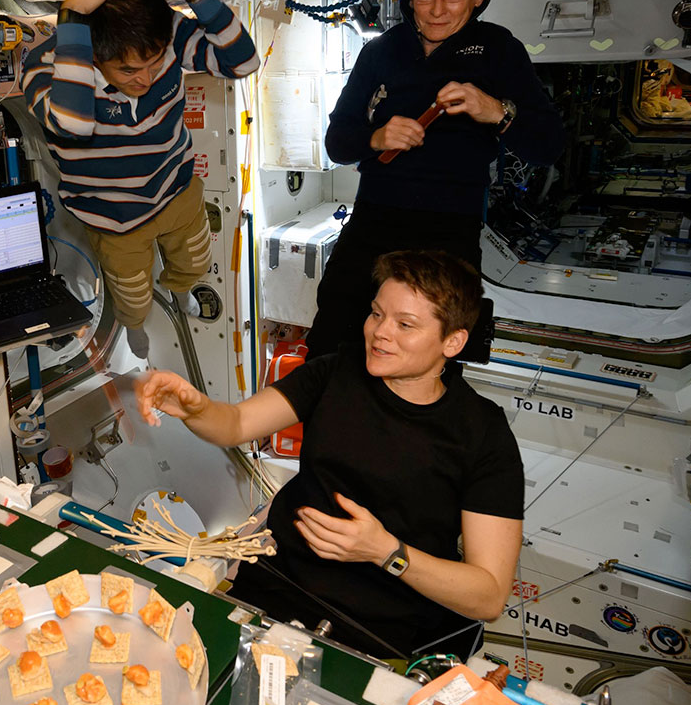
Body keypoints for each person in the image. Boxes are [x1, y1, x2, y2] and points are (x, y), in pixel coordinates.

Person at [137, 251, 523, 660]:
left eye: (405, 324)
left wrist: (386, 552)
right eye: (376, 314)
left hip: (384, 632)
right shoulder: (337, 371)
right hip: (277, 586)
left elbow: (488, 596)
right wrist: (197, 409)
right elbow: (234, 424)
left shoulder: (483, 434)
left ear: (453, 341)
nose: (379, 333)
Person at [307, 0, 563, 357]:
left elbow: (548, 146)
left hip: (450, 230)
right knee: (333, 341)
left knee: (429, 359)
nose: (437, 10)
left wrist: (496, 111)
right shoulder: (381, 51)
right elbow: (337, 142)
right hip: (374, 220)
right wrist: (376, 137)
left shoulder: (499, 50)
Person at [20, 0, 259, 359]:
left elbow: (243, 61)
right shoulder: (46, 67)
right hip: (114, 217)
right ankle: (134, 324)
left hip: (175, 189)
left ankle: (180, 290)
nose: (145, 79)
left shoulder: (162, 31)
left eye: (153, 63)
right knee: (132, 296)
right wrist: (73, 15)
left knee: (196, 262)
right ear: (92, 52)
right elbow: (73, 124)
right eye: (128, 71)